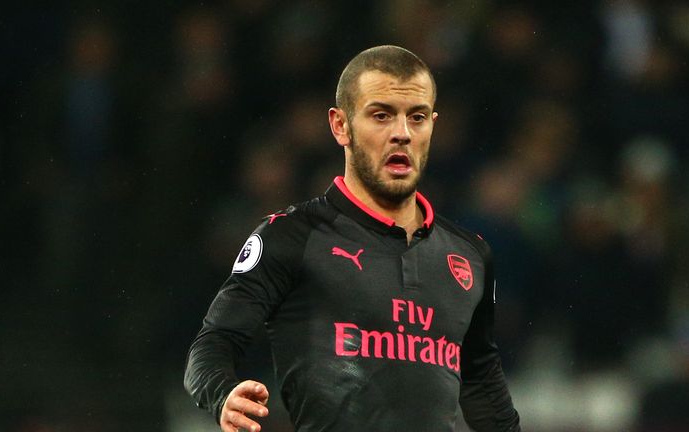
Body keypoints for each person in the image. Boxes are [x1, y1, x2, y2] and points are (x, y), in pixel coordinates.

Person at [184, 45, 521, 432]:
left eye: (417, 117)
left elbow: (481, 385)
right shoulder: (292, 236)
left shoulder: (471, 255)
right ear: (340, 125)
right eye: (381, 116)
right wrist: (223, 394)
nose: (402, 134)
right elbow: (212, 344)